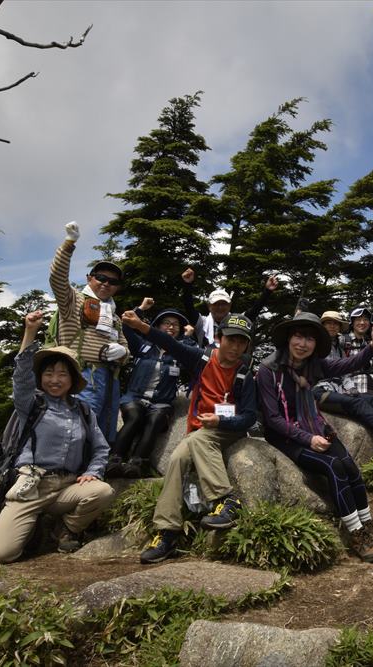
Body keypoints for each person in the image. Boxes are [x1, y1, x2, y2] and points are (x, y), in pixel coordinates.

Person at [124, 310, 258, 564]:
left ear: (247, 345)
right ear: (219, 338)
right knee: (176, 459)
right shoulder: (202, 359)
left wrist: (222, 420)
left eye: (242, 342)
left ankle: (227, 500)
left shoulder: (245, 373)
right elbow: (169, 343)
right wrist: (141, 326)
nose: (235, 346)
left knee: (199, 440)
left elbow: (250, 416)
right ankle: (168, 532)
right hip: (200, 430)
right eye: (231, 339)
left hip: (227, 430)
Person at [257, 312, 373, 563]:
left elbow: (347, 365)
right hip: (286, 436)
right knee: (334, 466)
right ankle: (356, 535)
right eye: (298, 336)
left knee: (351, 466)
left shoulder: (313, 364)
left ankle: (368, 523)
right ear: (288, 338)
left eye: (309, 339)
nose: (303, 344)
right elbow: (272, 419)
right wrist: (307, 439)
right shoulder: (268, 369)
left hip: (315, 426)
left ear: (316, 344)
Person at [0, 311, 114, 563]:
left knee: (103, 491)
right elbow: (21, 378)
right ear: (40, 377)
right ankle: (31, 522)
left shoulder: (83, 410)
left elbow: (100, 448)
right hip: (31, 486)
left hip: (66, 487)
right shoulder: (31, 404)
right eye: (49, 373)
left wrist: (94, 471)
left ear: (72, 379)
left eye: (63, 374)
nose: (55, 379)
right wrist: (29, 332)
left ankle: (66, 528)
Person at [50, 221, 130, 444]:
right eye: (101, 278)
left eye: (113, 281)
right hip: (80, 373)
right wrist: (69, 244)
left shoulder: (114, 316)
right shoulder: (73, 300)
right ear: (89, 278)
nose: (106, 283)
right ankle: (71, 471)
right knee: (79, 424)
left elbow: (127, 353)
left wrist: (121, 353)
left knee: (104, 426)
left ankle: (97, 471)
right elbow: (57, 277)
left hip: (110, 378)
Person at [107, 300, 193, 478]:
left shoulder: (180, 350)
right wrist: (141, 309)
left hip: (161, 402)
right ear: (157, 326)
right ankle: (114, 459)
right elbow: (126, 327)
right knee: (135, 417)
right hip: (134, 397)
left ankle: (137, 463)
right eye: (166, 323)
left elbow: (193, 356)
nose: (171, 327)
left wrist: (188, 337)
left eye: (176, 324)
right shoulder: (143, 346)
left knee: (155, 421)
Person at [314, 311, 373, 445]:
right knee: (357, 402)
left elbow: (344, 374)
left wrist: (352, 390)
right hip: (321, 390)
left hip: (340, 388)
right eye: (328, 323)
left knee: (371, 400)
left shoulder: (339, 347)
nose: (332, 326)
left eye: (336, 323)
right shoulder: (316, 343)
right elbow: (346, 365)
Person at [181, 267, 279, 348]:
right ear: (209, 306)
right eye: (216, 304)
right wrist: (187, 284)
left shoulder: (237, 322)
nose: (220, 307)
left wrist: (267, 291)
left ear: (229, 305)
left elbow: (253, 312)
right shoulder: (202, 323)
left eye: (223, 304)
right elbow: (188, 306)